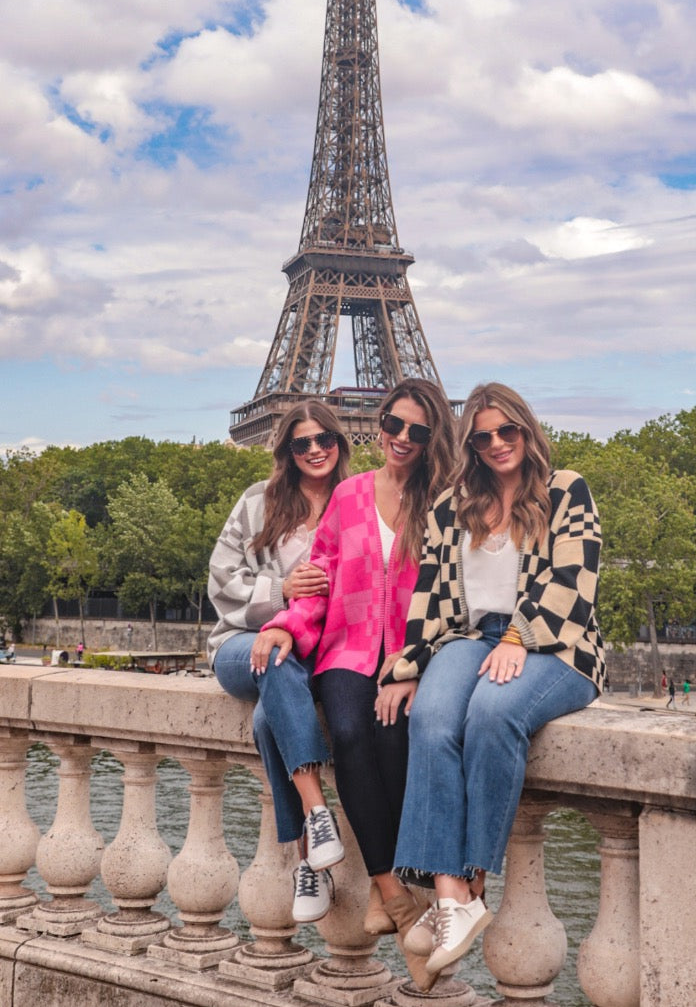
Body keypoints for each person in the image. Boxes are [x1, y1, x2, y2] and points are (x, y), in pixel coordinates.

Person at [376, 382, 605, 978]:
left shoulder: (565, 489)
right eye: (483, 436)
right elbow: (430, 596)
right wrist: (409, 666)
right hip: (469, 638)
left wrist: (518, 638)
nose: (498, 443)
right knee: (428, 717)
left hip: (557, 644)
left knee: (493, 714)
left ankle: (474, 884)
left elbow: (576, 583)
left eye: (508, 431)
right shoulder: (451, 504)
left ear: (528, 430)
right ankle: (450, 893)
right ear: (469, 445)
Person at [257, 379, 455, 990]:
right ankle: (393, 891)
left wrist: (418, 666)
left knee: (391, 731)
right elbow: (318, 580)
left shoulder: (447, 502)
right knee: (345, 728)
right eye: (393, 425)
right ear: (379, 423)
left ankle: (390, 892)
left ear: (433, 439)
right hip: (345, 647)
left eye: (417, 432)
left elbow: (456, 597)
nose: (400, 439)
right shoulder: (347, 494)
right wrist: (288, 626)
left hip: (405, 656)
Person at [207, 401, 351, 922]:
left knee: (272, 715)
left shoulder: (356, 504)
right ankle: (317, 811)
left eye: (324, 440)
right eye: (301, 443)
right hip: (243, 646)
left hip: (312, 652)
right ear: (287, 451)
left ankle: (309, 862)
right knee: (273, 658)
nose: (315, 450)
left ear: (341, 442)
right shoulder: (257, 503)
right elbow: (220, 580)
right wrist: (282, 593)